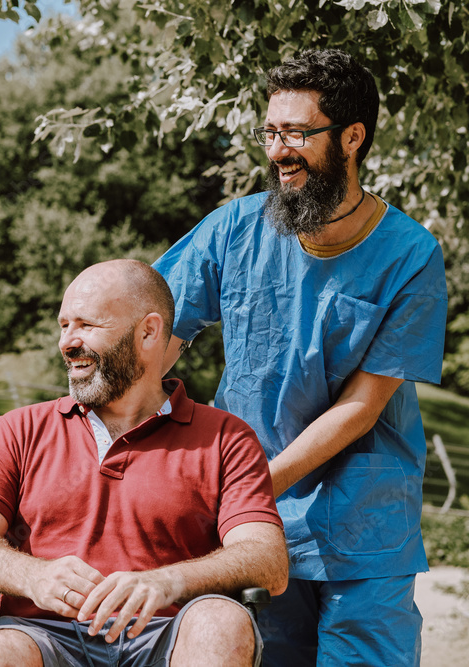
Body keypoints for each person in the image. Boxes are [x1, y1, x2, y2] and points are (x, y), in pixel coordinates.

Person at [153, 49, 448, 666]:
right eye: (270, 132)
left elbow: (363, 407)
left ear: (352, 138)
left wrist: (253, 485)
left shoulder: (411, 254)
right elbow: (151, 341)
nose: (278, 150)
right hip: (252, 528)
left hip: (363, 528)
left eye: (296, 133)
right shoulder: (234, 228)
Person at [0, 259, 289, 667]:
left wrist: (171, 580)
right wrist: (32, 575)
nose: (68, 341)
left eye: (86, 325)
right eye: (64, 325)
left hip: (168, 636)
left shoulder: (226, 437)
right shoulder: (19, 429)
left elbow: (268, 560)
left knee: (221, 622)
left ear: (148, 332)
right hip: (43, 635)